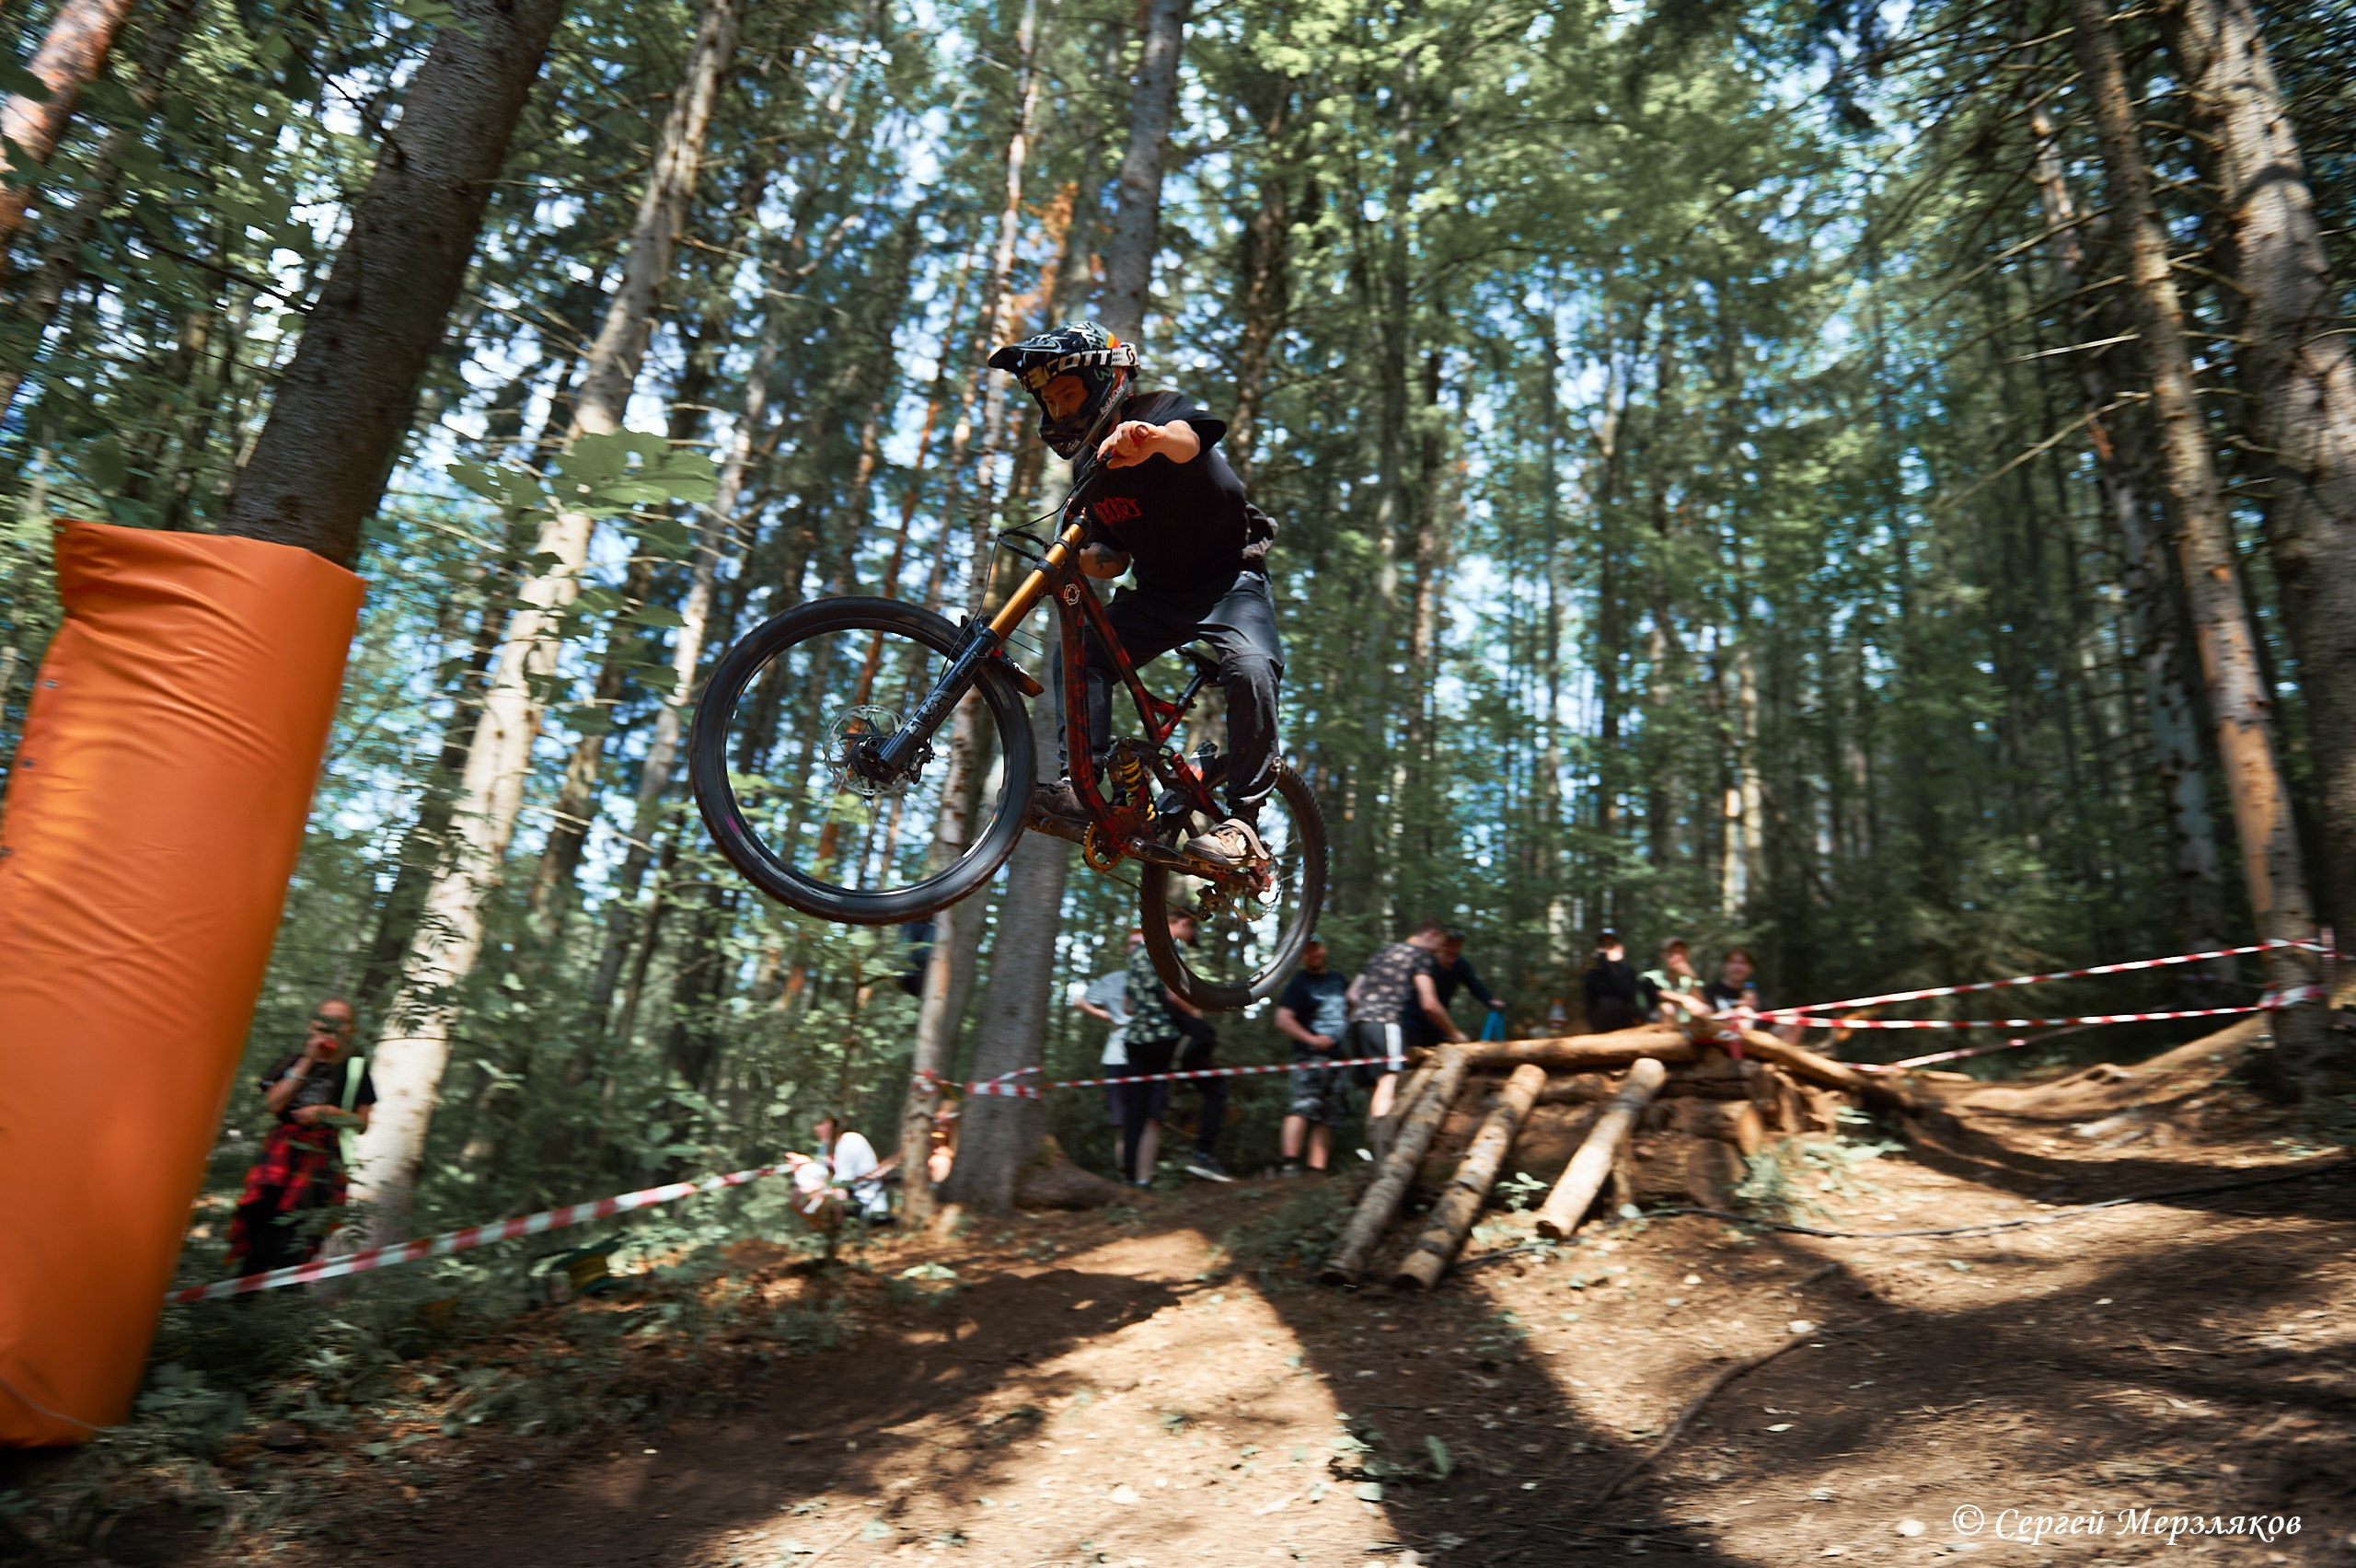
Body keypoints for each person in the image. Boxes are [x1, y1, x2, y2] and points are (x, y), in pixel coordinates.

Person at [989, 322, 1283, 871]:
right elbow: (1112, 559)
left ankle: (1244, 825)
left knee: (1252, 665)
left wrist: (1148, 439)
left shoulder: (1161, 408)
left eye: (1068, 395)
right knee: (1080, 655)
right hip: (1159, 595)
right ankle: (1083, 791)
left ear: (1104, 383)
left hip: (1230, 582)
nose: (1058, 410)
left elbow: (1191, 441)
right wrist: (1076, 561)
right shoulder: (1090, 473)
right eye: (1049, 402)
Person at [226, 998, 375, 1279]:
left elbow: (361, 1123)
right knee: (259, 1221)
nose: (331, 1027)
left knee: (298, 1237)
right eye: (325, 1020)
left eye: (340, 1021)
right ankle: (242, 1297)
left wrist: (327, 1113)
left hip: (321, 1161)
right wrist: (309, 1058)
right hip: (280, 1155)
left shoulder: (356, 1070)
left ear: (351, 1029)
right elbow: (274, 1104)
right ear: (313, 1024)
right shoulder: (292, 1060)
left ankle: (286, 1302)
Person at [1346, 918, 1468, 1124]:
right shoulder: (1420, 956)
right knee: (1389, 1081)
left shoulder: (1383, 952)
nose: (1440, 950)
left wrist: (1366, 1012)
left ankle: (1373, 1148)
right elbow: (1429, 1003)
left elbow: (1352, 994)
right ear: (1430, 935)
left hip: (1359, 1023)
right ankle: (1382, 1147)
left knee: (1376, 1087)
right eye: (1440, 943)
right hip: (1386, 1020)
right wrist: (1455, 1034)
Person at [1115, 908, 1203, 1187]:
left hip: (1136, 1040)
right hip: (1163, 1038)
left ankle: (1130, 1175)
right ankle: (1148, 1176)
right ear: (1184, 923)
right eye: (1190, 936)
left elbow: (1128, 1005)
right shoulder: (1174, 948)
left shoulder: (1138, 952)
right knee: (1155, 1109)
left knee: (1135, 1111)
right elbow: (1173, 994)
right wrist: (1196, 1013)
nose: (1188, 942)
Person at [1274, 935, 1352, 1175]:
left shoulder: (1338, 979)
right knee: (1302, 1107)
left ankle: (1316, 1171)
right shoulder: (1299, 983)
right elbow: (1282, 1019)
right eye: (1308, 951)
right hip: (1308, 1057)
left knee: (1328, 1115)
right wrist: (1311, 1040)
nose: (1314, 954)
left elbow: (1353, 1006)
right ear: (1301, 956)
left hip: (1338, 1058)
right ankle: (1289, 1164)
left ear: (1323, 949)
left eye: (1316, 948)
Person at [1075, 929, 1142, 1145]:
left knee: (1147, 1117)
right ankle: (1126, 1174)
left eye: (1143, 944)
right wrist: (1113, 1017)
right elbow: (1080, 1001)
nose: (1138, 948)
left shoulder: (1161, 980)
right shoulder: (1112, 980)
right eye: (1133, 943)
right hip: (1117, 1057)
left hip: (1150, 1055)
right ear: (1126, 949)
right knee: (1120, 1121)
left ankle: (1141, 1175)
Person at [791, 1113, 893, 1228]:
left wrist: (818, 1189)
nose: (815, 1129)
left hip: (866, 1203)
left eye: (820, 1124)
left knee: (834, 1193)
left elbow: (843, 1180)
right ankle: (822, 1229)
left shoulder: (850, 1139)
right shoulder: (826, 1146)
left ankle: (839, 1232)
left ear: (833, 1124)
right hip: (850, 1199)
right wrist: (804, 1165)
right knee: (798, 1192)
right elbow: (823, 1173)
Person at [1427, 925, 1506, 1031]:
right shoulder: (1426, 962)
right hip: (1413, 1019)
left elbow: (1474, 984)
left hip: (1438, 1022)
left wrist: (1489, 1000)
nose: (1451, 957)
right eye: (1449, 946)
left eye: (1456, 948)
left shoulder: (1460, 965)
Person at [1640, 937, 1713, 1027]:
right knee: (1667, 1008)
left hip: (1688, 1026)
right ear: (1664, 955)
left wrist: (1693, 978)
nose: (1677, 957)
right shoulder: (1652, 977)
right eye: (1672, 953)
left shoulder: (1690, 981)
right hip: (1658, 1025)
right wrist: (1684, 999)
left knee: (1705, 1010)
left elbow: (1701, 1003)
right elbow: (1656, 993)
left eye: (1681, 953)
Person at [1582, 930, 1643, 1033]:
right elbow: (1601, 992)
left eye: (1611, 944)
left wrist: (1614, 965)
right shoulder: (1593, 974)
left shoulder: (1629, 972)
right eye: (1603, 945)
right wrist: (1605, 964)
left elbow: (1626, 992)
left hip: (1627, 1024)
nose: (1607, 948)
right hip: (1601, 1024)